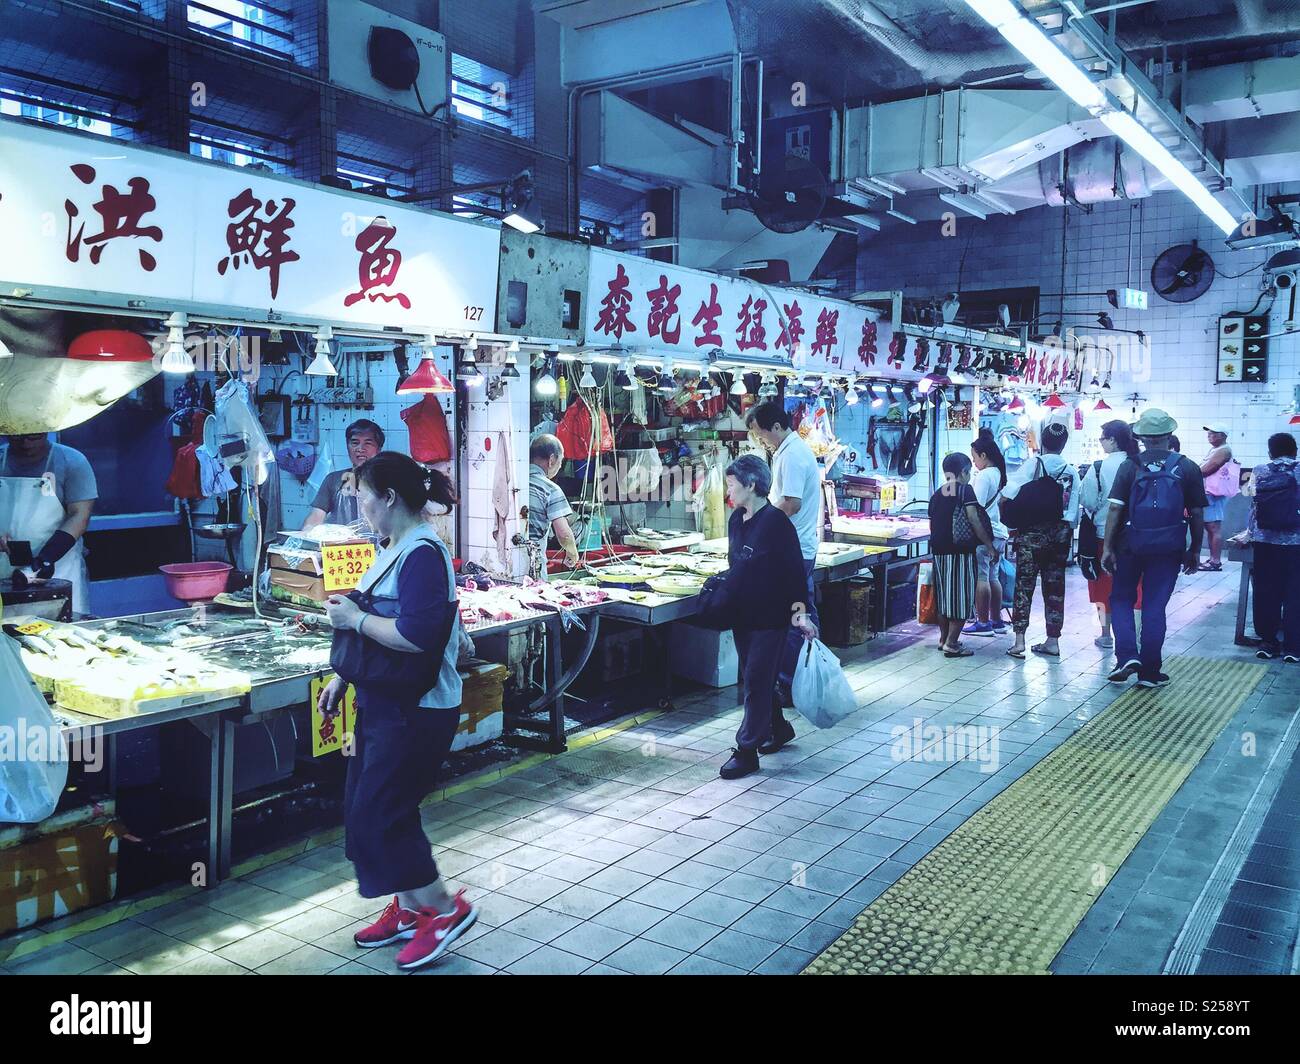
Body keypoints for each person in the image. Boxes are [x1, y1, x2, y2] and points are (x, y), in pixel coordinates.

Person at [318, 452, 476, 971]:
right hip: (383, 705)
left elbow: (414, 635)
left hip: (419, 711)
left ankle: (444, 909)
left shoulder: (424, 554)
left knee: (384, 813)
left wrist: (354, 621)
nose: (359, 505)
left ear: (387, 498)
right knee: (368, 810)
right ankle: (409, 909)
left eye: (363, 496)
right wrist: (343, 678)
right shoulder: (393, 546)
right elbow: (372, 620)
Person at [719, 454, 816, 780]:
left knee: (757, 680)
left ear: (750, 484)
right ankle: (778, 726)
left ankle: (746, 751)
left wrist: (800, 616)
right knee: (756, 676)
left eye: (732, 484)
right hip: (743, 614)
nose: (728, 490)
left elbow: (793, 575)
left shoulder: (776, 523)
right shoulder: (736, 520)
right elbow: (737, 565)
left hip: (771, 617)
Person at [1101, 409, 1207, 688]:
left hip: (1130, 544)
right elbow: (1196, 513)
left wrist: (1108, 547)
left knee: (1121, 599)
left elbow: (1115, 510)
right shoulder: (1187, 467)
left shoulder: (1129, 466)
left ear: (1143, 438)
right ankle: (1150, 671)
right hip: (1169, 547)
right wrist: (1195, 549)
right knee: (1154, 606)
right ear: (1170, 436)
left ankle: (1126, 656)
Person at [745, 401, 823, 710]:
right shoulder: (793, 451)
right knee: (805, 612)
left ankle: (793, 685)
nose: (761, 440)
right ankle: (812, 676)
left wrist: (758, 523)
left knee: (793, 618)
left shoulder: (791, 455)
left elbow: (790, 503)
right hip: (800, 548)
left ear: (776, 427)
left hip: (793, 551)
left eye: (761, 434)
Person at [1003, 422, 1080, 660]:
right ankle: (1053, 641)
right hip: (1059, 538)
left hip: (1031, 536)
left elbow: (1008, 493)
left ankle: (1019, 642)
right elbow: (1073, 514)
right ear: (1064, 444)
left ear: (1044, 442)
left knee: (1024, 587)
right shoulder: (1071, 471)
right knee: (1055, 588)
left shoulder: (1033, 464)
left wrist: (1012, 520)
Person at [0, 432, 97, 613]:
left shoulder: (72, 462)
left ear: (45, 430)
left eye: (33, 437)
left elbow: (79, 515)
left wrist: (47, 558)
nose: (25, 444)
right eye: (17, 437)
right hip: (4, 571)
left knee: (58, 634)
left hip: (58, 571)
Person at [1078, 420, 1141, 649]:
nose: (1101, 442)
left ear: (1113, 440)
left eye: (1102, 438)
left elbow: (1088, 501)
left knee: (1102, 588)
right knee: (1135, 586)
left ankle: (1106, 634)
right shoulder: (1139, 464)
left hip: (1103, 535)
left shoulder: (1099, 467)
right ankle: (1136, 635)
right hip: (1136, 535)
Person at [930, 452, 997, 656]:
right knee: (960, 597)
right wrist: (988, 544)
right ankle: (952, 642)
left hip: (938, 551)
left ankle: (943, 639)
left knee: (943, 597)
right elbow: (973, 519)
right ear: (964, 472)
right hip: (960, 551)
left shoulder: (938, 493)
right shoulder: (965, 490)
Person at [1242, 432, 1300, 662]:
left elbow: (1252, 503)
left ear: (1270, 452)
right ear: (1295, 450)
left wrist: (1249, 534)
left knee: (1266, 590)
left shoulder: (1259, 470)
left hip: (1265, 541)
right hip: (1297, 542)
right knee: (1296, 592)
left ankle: (1267, 642)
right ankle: (1294, 647)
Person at [963, 429, 1009, 638]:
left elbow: (977, 509)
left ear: (983, 456)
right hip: (999, 532)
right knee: (993, 576)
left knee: (982, 577)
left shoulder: (983, 476)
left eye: (974, 458)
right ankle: (997, 621)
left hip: (985, 534)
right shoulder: (998, 472)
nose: (973, 462)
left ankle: (983, 623)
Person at [303, 419, 385, 531]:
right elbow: (316, 517)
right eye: (355, 443)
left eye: (368, 443)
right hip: (343, 547)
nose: (360, 449)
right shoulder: (333, 480)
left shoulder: (390, 480)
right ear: (347, 446)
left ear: (379, 449)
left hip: (383, 548)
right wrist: (307, 533)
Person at [528, 434, 580, 569]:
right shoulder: (550, 489)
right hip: (532, 563)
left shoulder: (513, 482)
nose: (560, 466)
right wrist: (572, 553)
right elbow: (563, 534)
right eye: (560, 461)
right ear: (551, 460)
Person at [1198, 423, 1235, 571]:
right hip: (1211, 493)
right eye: (1209, 433)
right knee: (1210, 527)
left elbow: (1207, 469)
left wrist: (1190, 473)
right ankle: (1213, 559)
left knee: (1213, 527)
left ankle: (1215, 561)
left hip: (1214, 494)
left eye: (1214, 433)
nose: (1210, 435)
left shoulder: (1223, 450)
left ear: (1223, 435)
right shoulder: (1215, 449)